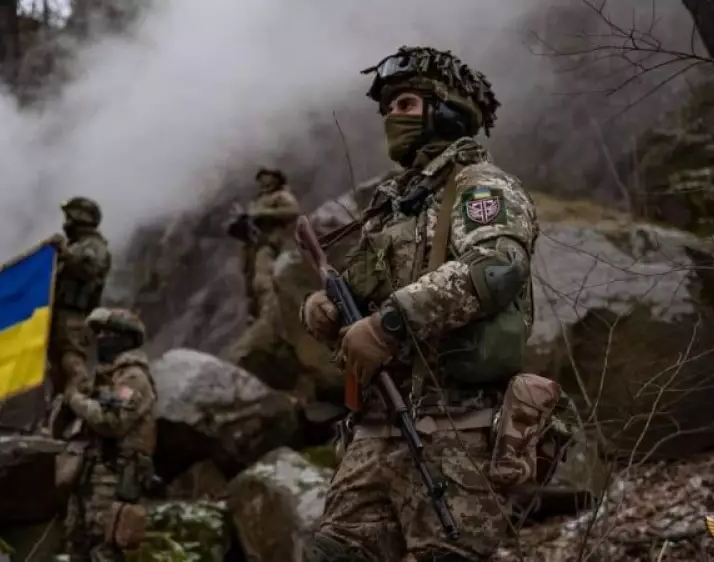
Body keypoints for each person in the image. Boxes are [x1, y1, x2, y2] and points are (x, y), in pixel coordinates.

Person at [298, 46, 560, 562]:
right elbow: (358, 295)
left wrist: (390, 324)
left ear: (446, 111)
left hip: (458, 431)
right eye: (387, 108)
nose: (391, 117)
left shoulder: (480, 186)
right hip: (377, 428)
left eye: (406, 104)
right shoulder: (394, 204)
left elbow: (495, 268)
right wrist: (325, 310)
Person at [63, 307, 157, 562]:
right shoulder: (107, 378)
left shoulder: (133, 378)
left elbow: (112, 422)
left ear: (126, 339)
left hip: (114, 478)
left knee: (104, 546)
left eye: (109, 333)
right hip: (91, 474)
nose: (102, 339)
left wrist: (75, 401)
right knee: (78, 543)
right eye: (100, 333)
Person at [49, 197, 112, 435]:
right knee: (57, 369)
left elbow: (89, 268)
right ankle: (60, 418)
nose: (66, 222)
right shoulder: (76, 245)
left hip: (75, 316)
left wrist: (65, 254)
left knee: (72, 363)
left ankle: (81, 408)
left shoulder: (94, 246)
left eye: (70, 216)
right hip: (59, 315)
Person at [231, 168, 301, 322]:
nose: (262, 181)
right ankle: (258, 316)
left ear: (275, 178)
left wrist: (263, 213)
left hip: (268, 242)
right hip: (252, 244)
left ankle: (273, 312)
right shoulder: (258, 200)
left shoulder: (281, 195)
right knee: (250, 285)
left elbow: (293, 210)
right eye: (261, 178)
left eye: (266, 177)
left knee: (262, 279)